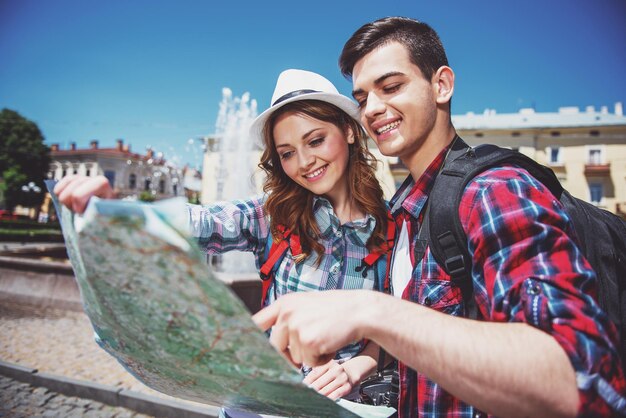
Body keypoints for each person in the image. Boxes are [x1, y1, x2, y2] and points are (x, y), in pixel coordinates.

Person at [252, 17, 626, 417]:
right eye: (362, 99)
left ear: (442, 85)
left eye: (391, 87)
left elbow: (580, 379)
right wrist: (367, 358)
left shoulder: (491, 191)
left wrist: (370, 312)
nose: (374, 109)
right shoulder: (406, 210)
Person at [53, 69, 391, 403]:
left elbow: (399, 323)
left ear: (348, 131)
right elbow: (201, 221)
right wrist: (115, 210)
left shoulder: (393, 227)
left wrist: (355, 367)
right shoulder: (272, 215)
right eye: (287, 152)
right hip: (265, 403)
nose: (304, 162)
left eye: (315, 140)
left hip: (347, 407)